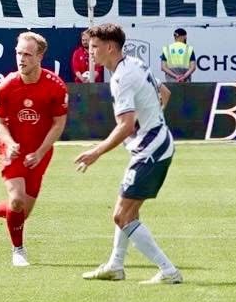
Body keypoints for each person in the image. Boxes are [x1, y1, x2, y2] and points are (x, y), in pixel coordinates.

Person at [75, 23, 181, 285]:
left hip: (150, 152)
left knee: (121, 216)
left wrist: (96, 152)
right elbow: (165, 93)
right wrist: (153, 120)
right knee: (128, 213)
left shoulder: (121, 78)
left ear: (110, 47)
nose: (90, 52)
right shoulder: (135, 63)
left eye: (94, 47)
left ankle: (168, 271)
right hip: (156, 145)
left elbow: (125, 125)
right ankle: (115, 265)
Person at [0, 32, 68, 269]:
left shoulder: (56, 86)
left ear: (40, 56)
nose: (21, 59)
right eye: (18, 53)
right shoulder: (6, 86)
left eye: (27, 54)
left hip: (40, 152)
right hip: (11, 149)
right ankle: (18, 251)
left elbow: (58, 123)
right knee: (16, 202)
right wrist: (10, 143)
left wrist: (41, 151)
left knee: (22, 212)